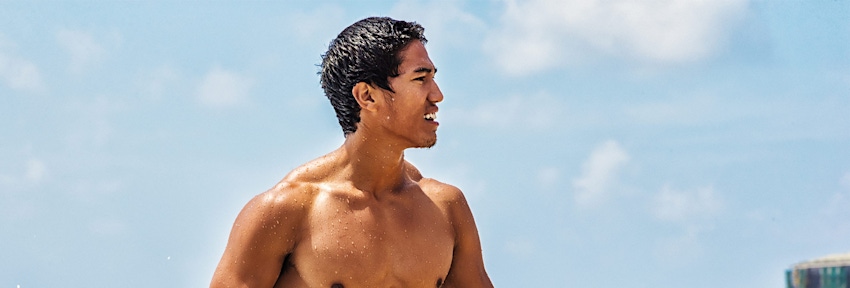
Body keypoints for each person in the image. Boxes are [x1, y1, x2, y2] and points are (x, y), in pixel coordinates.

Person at [210, 17, 493, 288]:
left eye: (433, 78)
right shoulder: (288, 210)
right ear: (367, 96)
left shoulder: (445, 208)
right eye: (420, 79)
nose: (437, 95)